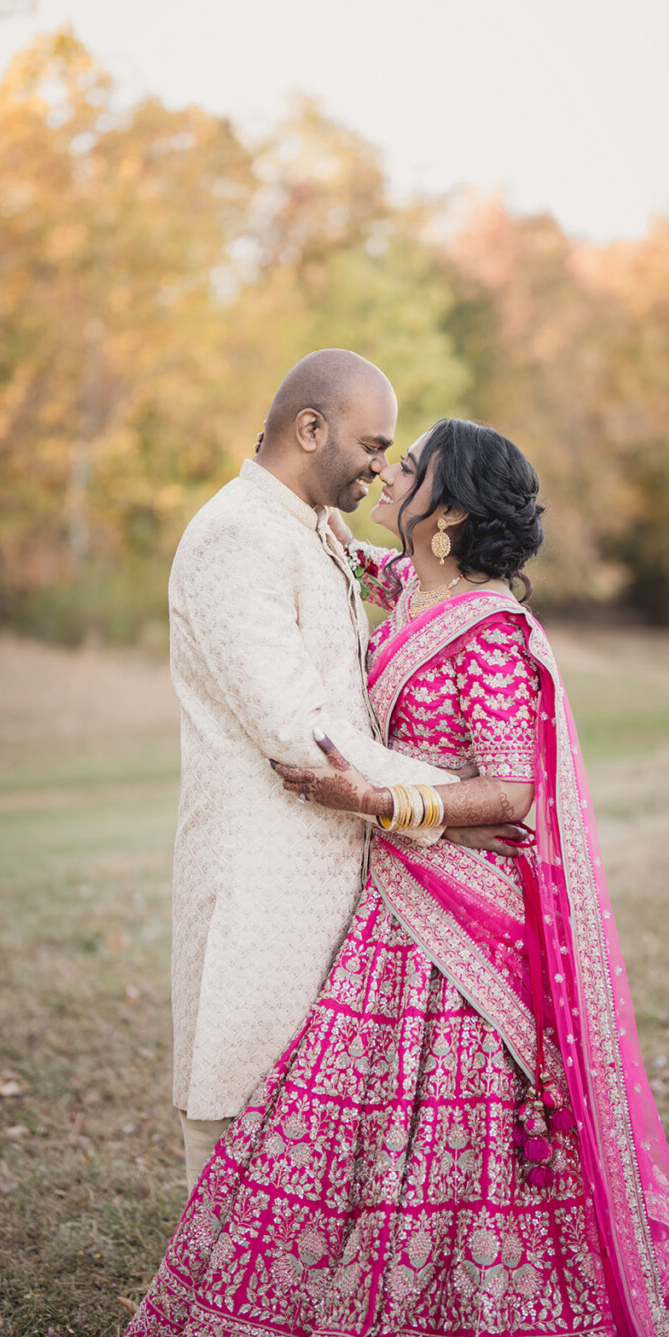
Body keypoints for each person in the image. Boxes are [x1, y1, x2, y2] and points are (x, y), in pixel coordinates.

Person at [74, 418, 669, 1337]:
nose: (391, 475)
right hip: (397, 908)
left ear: (448, 514)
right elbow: (318, 552)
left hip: (462, 927)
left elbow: (509, 791)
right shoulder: (406, 586)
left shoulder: (491, 633)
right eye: (388, 458)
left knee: (464, 1152)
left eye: (411, 470)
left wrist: (369, 796)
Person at [160, 349, 462, 1188]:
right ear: (310, 428)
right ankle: (210, 1311)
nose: (380, 466)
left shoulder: (310, 528)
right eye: (372, 445)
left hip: (333, 867)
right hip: (262, 873)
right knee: (240, 1105)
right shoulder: (234, 537)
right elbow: (303, 732)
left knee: (309, 1130)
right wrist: (456, 796)